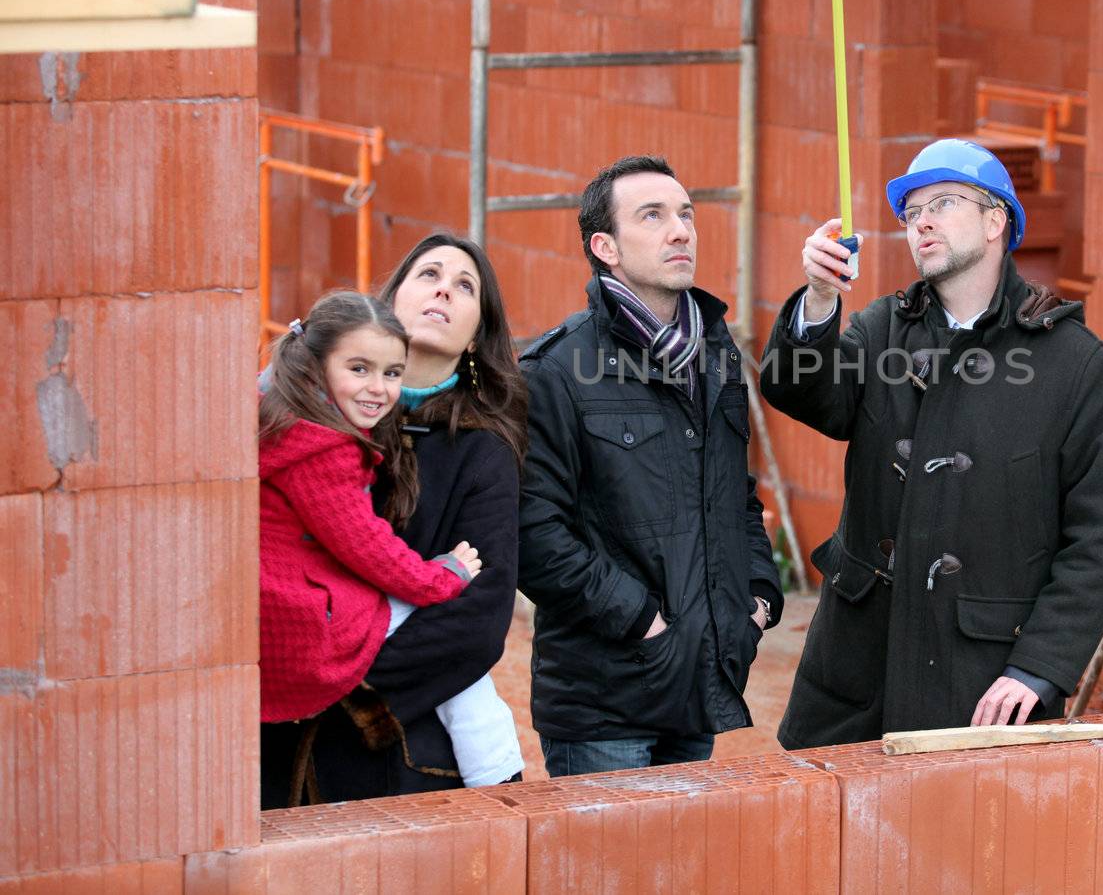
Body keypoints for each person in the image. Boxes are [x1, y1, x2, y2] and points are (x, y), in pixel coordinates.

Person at [760, 138, 1103, 749]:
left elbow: (1102, 533)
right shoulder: (881, 329)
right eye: (911, 211)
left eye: (943, 202)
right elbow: (806, 396)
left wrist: (1040, 667)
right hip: (859, 666)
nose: (922, 221)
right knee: (833, 837)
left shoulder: (1072, 363)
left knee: (965, 838)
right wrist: (820, 301)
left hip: (983, 677)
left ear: (996, 222)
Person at [518, 154, 784, 776]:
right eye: (653, 216)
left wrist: (759, 599)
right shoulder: (556, 369)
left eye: (686, 214)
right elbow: (533, 529)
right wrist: (641, 621)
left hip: (700, 683)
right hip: (603, 702)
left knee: (679, 870)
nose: (681, 230)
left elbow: (734, 495)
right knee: (610, 874)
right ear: (605, 246)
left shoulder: (714, 355)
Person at [260, 234, 528, 803]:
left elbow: (476, 618)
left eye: (465, 286)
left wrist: (350, 692)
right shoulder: (311, 426)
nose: (443, 290)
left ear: (478, 334)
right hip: (272, 718)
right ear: (392, 300)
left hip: (392, 747)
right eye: (428, 274)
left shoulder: (482, 451)